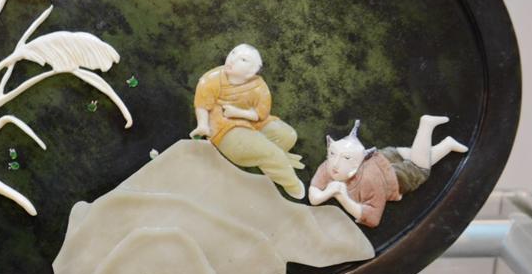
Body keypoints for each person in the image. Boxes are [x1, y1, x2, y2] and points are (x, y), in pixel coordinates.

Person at [308, 116, 468, 227]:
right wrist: (327, 193)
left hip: (393, 178)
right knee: (418, 155)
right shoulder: (329, 166)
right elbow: (314, 194)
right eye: (332, 154)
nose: (335, 164)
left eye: (346, 158)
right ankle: (447, 145)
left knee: (420, 169)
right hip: (383, 156)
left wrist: (342, 197)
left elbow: (373, 218)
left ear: (359, 161)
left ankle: (426, 126)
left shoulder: (369, 182)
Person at [190, 44, 305, 199]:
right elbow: (203, 105)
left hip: (250, 121)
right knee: (269, 152)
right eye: (233, 53)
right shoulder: (211, 79)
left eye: (243, 59)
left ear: (252, 72)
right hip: (225, 127)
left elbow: (261, 114)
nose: (232, 59)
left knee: (288, 135)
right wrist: (203, 125)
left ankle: (270, 158)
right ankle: (291, 182)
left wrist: (238, 113)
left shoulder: (258, 86)